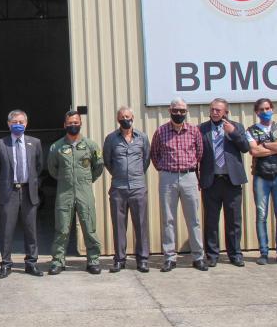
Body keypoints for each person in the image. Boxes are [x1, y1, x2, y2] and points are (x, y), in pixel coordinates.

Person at [151, 97, 207, 272]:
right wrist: (164, 169)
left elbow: (200, 153)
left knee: (194, 219)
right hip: (168, 178)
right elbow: (155, 154)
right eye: (175, 110)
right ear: (170, 110)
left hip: (189, 176)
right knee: (168, 219)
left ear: (186, 111)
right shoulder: (161, 132)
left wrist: (188, 169)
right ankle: (169, 257)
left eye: (182, 111)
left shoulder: (193, 131)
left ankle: (198, 257)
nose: (179, 114)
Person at [47, 110, 104, 275]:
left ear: (81, 123)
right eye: (70, 123)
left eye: (76, 122)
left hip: (84, 192)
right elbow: (52, 169)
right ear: (64, 125)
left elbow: (98, 166)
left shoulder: (91, 145)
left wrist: (85, 180)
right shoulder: (56, 147)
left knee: (89, 227)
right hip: (64, 192)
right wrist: (67, 180)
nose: (73, 125)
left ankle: (93, 260)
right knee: (62, 228)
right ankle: (58, 261)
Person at [0, 109, 44, 278]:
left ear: (26, 124)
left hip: (29, 191)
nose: (18, 125)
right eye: (15, 122)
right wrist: (6, 184)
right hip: (9, 192)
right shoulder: (0, 144)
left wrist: (32, 183)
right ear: (8, 124)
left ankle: (31, 263)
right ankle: (6, 264)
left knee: (31, 230)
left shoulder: (35, 143)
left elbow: (39, 166)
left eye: (21, 122)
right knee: (7, 230)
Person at [198, 98, 250, 267]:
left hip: (231, 181)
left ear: (226, 112)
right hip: (211, 181)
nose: (214, 112)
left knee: (234, 220)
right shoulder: (201, 129)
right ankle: (212, 255)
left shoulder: (237, 127)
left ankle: (235, 254)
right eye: (212, 109)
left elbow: (245, 147)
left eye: (218, 110)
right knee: (211, 220)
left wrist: (233, 132)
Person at [102, 106, 151, 272]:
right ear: (118, 119)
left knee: (141, 225)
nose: (125, 119)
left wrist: (135, 175)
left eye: (128, 116)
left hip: (138, 187)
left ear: (133, 118)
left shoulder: (142, 138)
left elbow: (146, 160)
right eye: (122, 117)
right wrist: (119, 174)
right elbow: (107, 161)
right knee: (118, 225)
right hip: (118, 188)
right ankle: (119, 259)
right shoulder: (111, 139)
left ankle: (142, 259)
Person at [246, 98, 277, 265]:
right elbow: (254, 150)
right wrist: (276, 146)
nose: (265, 111)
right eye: (262, 109)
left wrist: (265, 145)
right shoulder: (251, 130)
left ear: (272, 109)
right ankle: (264, 252)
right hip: (261, 176)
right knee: (261, 215)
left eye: (268, 108)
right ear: (257, 112)